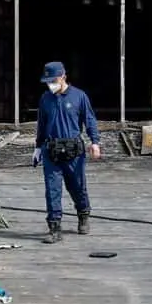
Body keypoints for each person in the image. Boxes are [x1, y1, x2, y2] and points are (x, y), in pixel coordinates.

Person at [33, 61, 100, 244]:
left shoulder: (79, 96)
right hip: (51, 150)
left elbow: (89, 120)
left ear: (63, 77)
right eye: (48, 82)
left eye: (53, 81)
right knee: (52, 190)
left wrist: (95, 142)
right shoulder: (45, 99)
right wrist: (38, 147)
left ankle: (83, 214)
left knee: (77, 186)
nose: (50, 85)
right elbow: (41, 124)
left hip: (73, 151)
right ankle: (54, 228)